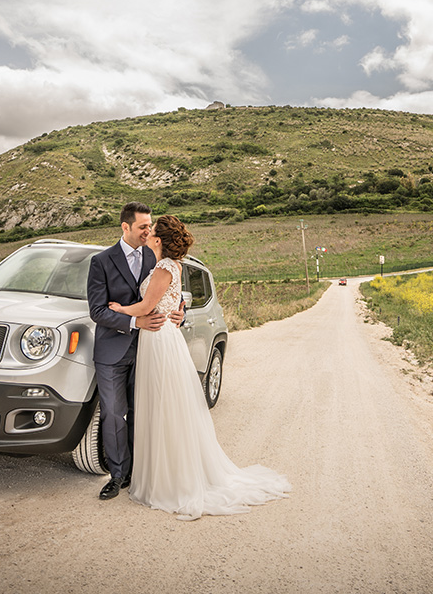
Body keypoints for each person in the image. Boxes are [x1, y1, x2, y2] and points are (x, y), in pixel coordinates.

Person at [109, 214, 291, 520]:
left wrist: (119, 309)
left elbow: (145, 306)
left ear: (159, 239)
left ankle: (170, 482)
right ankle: (162, 475)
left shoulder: (165, 267)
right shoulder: (168, 265)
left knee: (164, 407)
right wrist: (174, 309)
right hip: (160, 336)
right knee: (162, 407)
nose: (148, 233)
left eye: (152, 231)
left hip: (159, 339)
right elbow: (170, 301)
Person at [86, 202, 181, 501]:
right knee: (114, 415)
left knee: (144, 412)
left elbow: (170, 291)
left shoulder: (157, 257)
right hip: (112, 351)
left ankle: (142, 471)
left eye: (149, 226)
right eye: (142, 226)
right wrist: (134, 320)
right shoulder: (101, 261)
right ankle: (117, 476)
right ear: (125, 227)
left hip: (148, 350)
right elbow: (98, 311)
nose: (147, 231)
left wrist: (181, 312)